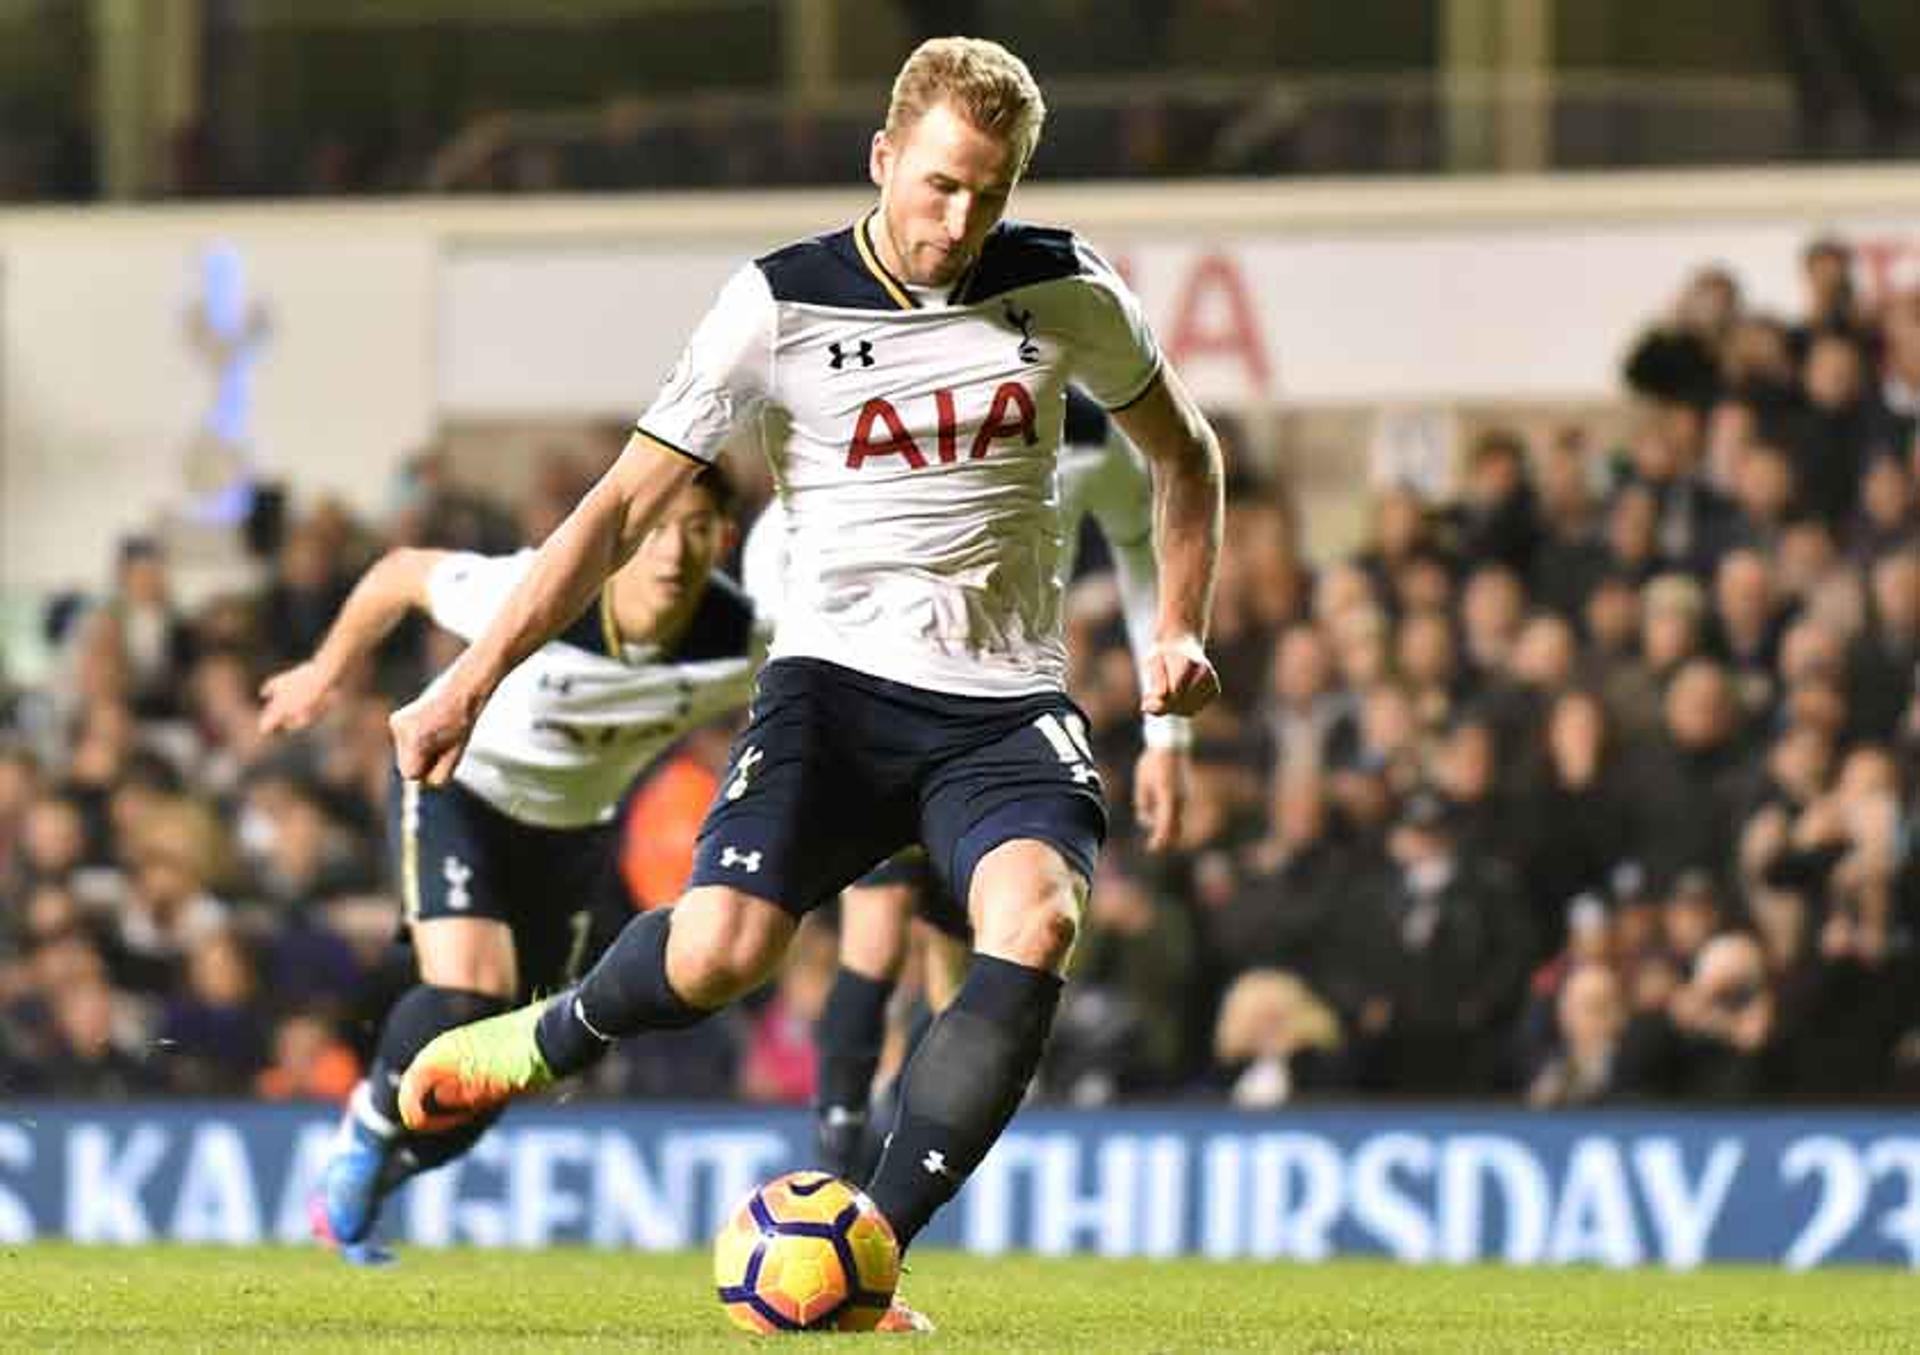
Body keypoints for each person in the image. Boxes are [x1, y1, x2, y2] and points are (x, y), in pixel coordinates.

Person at [388, 36, 1223, 1330]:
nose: (960, 220)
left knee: (1040, 918)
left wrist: (1176, 643)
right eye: (941, 183)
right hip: (834, 688)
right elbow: (618, 511)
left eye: (989, 194)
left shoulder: (1068, 290)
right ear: (884, 158)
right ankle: (533, 1040)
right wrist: (472, 681)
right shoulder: (777, 303)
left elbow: (1188, 457)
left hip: (1003, 702)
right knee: (722, 949)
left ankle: (867, 1244)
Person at [256, 462, 758, 1264]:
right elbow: (398, 575)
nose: (672, 552)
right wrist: (325, 671)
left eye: (696, 530)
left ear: (723, 538)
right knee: (470, 987)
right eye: (656, 528)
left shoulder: (743, 638)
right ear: (624, 533)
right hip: (460, 789)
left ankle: (382, 1169)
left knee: (506, 1062)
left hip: (572, 838)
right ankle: (367, 1122)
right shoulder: (539, 591)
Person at [741, 386, 1194, 1178]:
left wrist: (1166, 731)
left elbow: (1140, 550)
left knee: (965, 956)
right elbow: (775, 541)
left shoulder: (1087, 435)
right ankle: (837, 1161)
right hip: (876, 714)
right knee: (876, 930)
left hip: (993, 734)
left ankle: (894, 1155)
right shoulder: (904, 414)